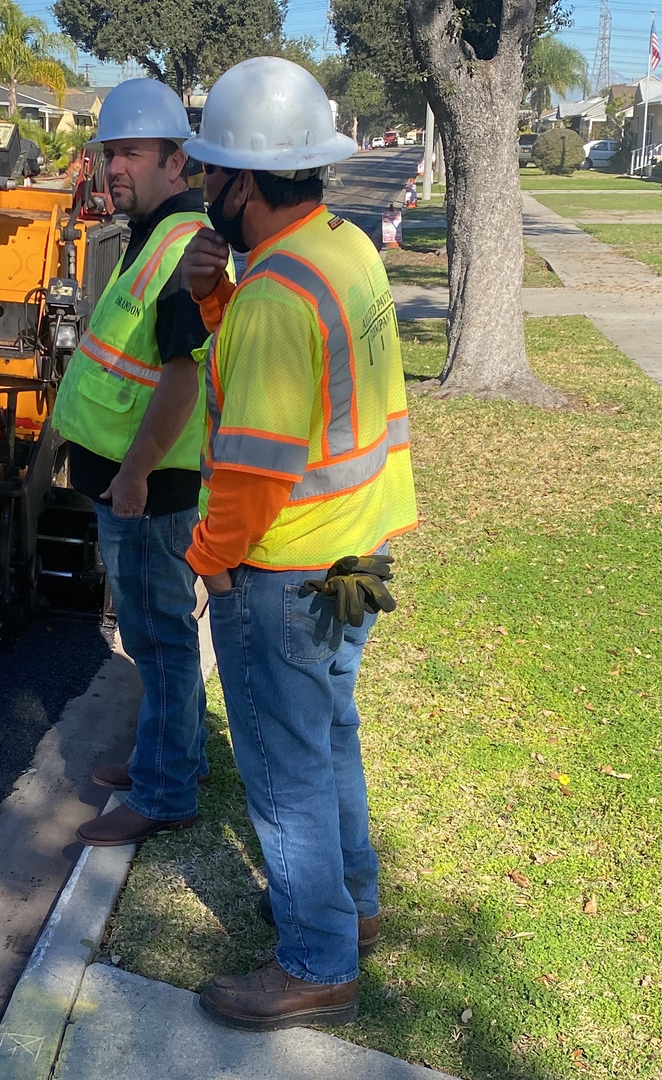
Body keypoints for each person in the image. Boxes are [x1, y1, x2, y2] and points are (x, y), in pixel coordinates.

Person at [178, 56, 418, 1031]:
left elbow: (253, 470)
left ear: (242, 182)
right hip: (365, 552)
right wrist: (214, 301)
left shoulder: (275, 297)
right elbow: (305, 386)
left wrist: (209, 560)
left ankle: (317, 961)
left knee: (284, 767)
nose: (202, 193)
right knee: (333, 732)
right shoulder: (341, 248)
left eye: (208, 176)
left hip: (290, 571)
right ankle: (351, 907)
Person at [48, 79, 225, 847]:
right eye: (107, 152)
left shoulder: (183, 246)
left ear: (175, 159)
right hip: (129, 480)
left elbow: (183, 379)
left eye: (128, 153)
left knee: (158, 637)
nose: (112, 167)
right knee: (157, 635)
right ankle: (175, 755)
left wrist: (134, 474)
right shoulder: (153, 234)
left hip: (146, 489)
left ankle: (165, 792)